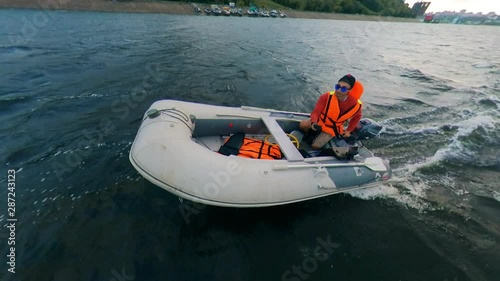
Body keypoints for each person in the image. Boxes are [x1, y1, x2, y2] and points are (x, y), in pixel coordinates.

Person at [299, 74, 362, 150]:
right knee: (302, 125)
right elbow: (316, 112)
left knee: (315, 146)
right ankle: (308, 136)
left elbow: (357, 117)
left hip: (332, 128)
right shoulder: (326, 97)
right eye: (337, 86)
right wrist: (314, 122)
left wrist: (348, 130)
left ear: (350, 90)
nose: (338, 90)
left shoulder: (355, 105)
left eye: (343, 89)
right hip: (319, 122)